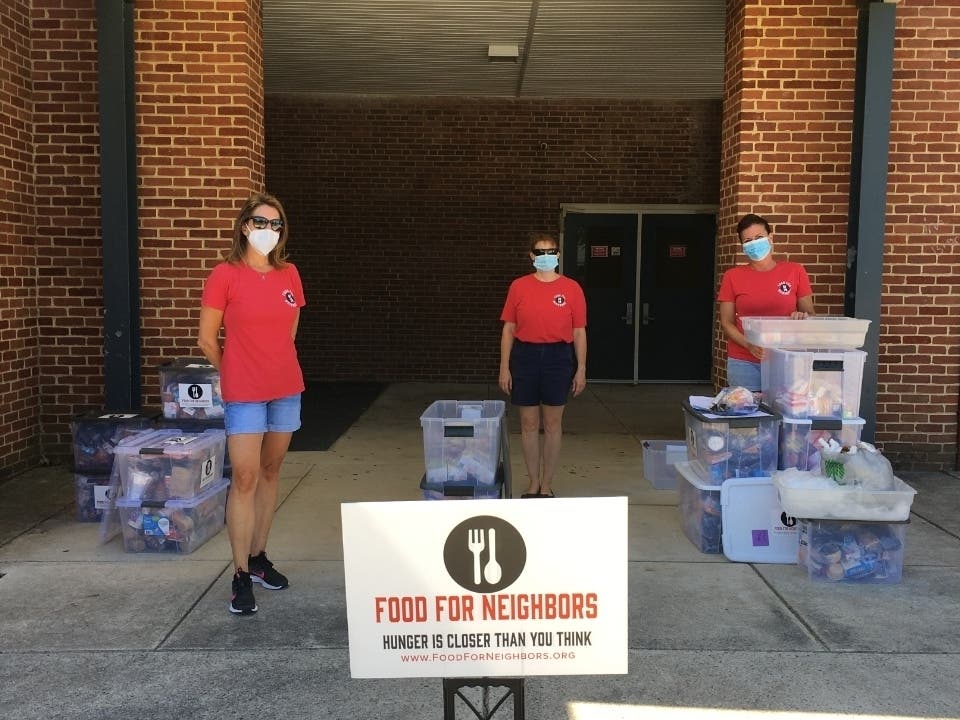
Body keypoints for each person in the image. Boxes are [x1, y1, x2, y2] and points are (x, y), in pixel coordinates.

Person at [198, 192, 306, 615]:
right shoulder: (225, 274)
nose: (269, 230)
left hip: (285, 387)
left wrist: (272, 361)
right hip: (244, 392)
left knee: (270, 471)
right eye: (261, 222)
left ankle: (259, 557)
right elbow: (207, 339)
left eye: (276, 224)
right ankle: (240, 573)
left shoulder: (289, 274)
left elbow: (290, 329)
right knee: (244, 478)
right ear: (245, 226)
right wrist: (235, 369)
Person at [498, 232, 587, 498]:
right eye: (540, 252)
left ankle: (547, 484)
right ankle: (533, 482)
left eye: (550, 252)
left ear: (558, 255)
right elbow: (509, 329)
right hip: (525, 355)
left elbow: (579, 331)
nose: (545, 257)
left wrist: (581, 368)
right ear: (531, 256)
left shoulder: (572, 288)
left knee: (552, 422)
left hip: (558, 357)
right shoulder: (519, 286)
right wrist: (504, 366)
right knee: (528, 423)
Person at [717, 213, 815, 391]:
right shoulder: (732, 276)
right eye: (748, 241)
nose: (754, 243)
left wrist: (802, 316)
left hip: (786, 357)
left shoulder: (795, 271)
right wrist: (749, 344)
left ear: (770, 238)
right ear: (743, 247)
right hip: (744, 360)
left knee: (785, 406)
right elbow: (726, 322)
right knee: (745, 407)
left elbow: (810, 314)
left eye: (759, 237)